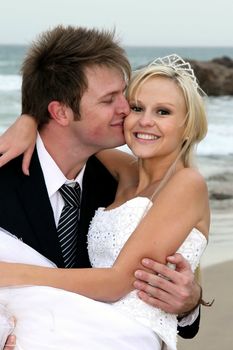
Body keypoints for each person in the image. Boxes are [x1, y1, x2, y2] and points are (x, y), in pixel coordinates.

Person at [0, 26, 204, 347]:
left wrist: (189, 303)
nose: (126, 110)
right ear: (60, 112)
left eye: (125, 95)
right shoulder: (5, 179)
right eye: (111, 99)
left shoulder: (120, 184)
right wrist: (29, 117)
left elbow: (128, 285)